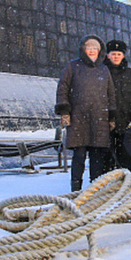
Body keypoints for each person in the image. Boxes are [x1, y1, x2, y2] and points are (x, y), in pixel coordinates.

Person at [55, 35, 116, 191]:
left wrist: (111, 117)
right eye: (89, 48)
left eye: (95, 48)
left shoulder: (104, 69)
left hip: (99, 118)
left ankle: (94, 189)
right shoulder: (72, 66)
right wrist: (65, 112)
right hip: (78, 118)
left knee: (97, 158)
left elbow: (110, 94)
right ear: (83, 49)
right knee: (79, 156)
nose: (91, 51)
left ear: (99, 50)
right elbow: (63, 88)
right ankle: (76, 189)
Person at [103, 39, 131, 171]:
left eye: (119, 54)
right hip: (106, 122)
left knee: (125, 157)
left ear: (123, 55)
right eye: (113, 54)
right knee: (105, 158)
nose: (116, 57)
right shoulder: (101, 72)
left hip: (126, 122)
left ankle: (126, 185)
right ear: (108, 55)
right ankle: (107, 187)